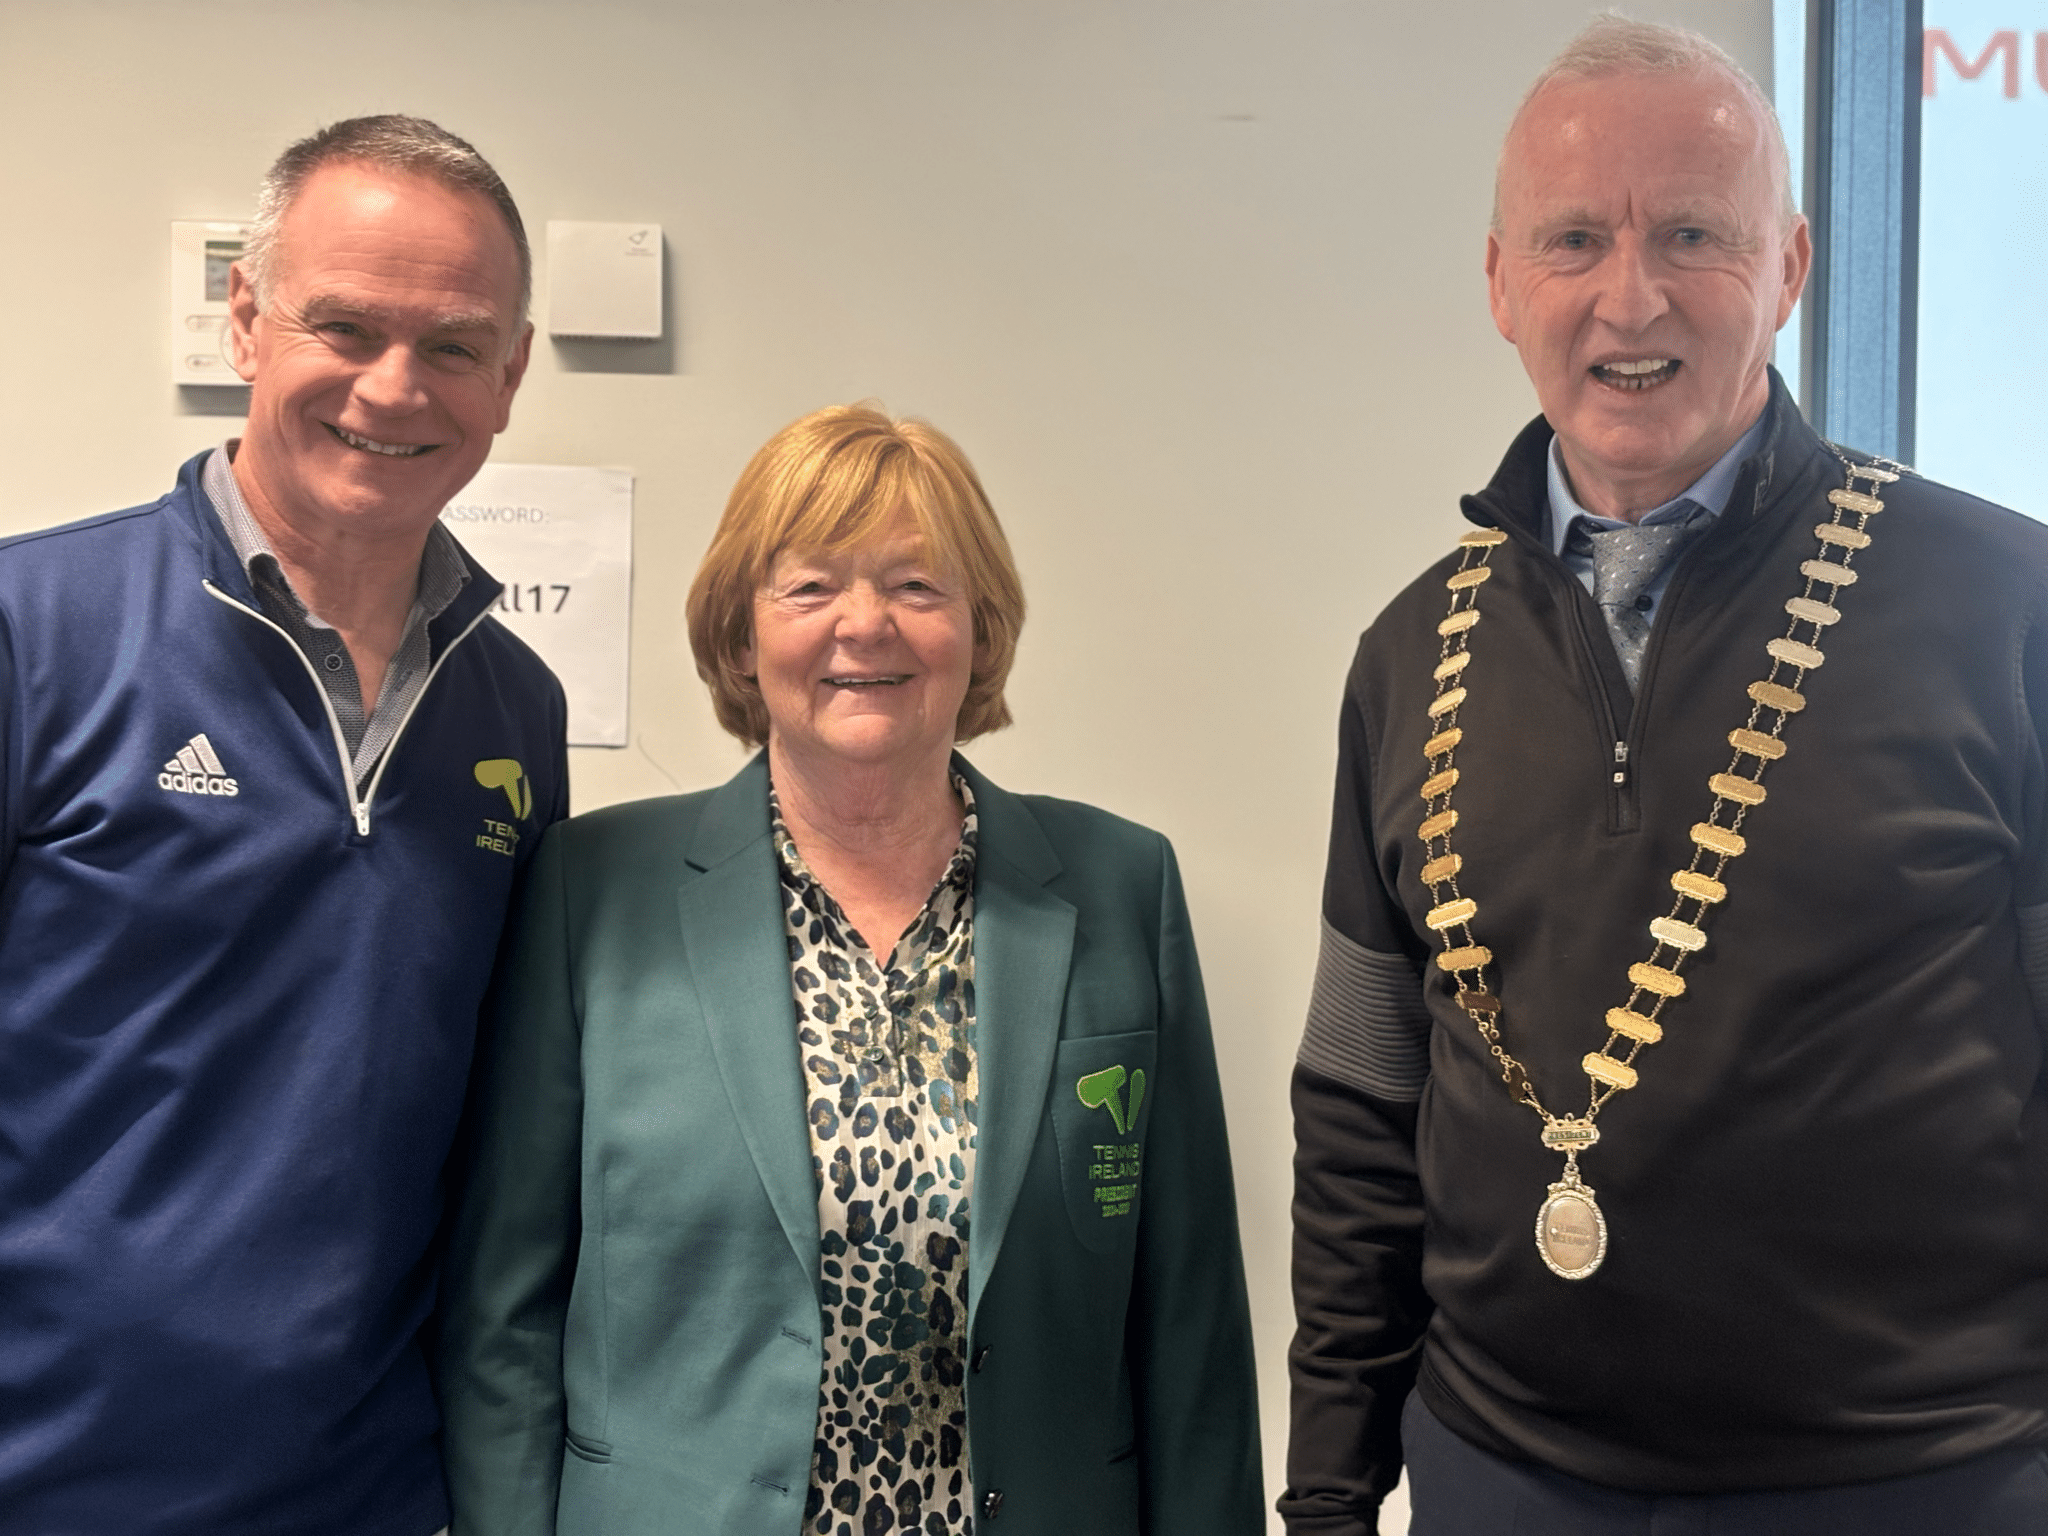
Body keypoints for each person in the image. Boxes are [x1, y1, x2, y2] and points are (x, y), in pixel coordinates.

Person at [1283, 17, 2048, 1535]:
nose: (1628, 297)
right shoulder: (1407, 655)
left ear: (1790, 267)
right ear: (1501, 284)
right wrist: (1327, 1489)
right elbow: (1364, 1098)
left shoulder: (2004, 607)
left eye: (1693, 233)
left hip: (1921, 1480)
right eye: (1573, 238)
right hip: (1502, 1476)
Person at [435, 403, 1261, 1535]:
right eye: (810, 585)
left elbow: (1190, 1314)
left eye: (917, 586)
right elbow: (504, 1313)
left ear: (980, 631)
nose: (864, 624)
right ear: (740, 638)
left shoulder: (1121, 887)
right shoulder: (594, 889)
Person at [0, 117, 565, 1533]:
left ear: (511, 375)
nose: (394, 386)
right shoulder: (33, 632)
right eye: (345, 327)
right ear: (246, 320)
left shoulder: (515, 709)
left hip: (365, 1494)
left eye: (453, 345)